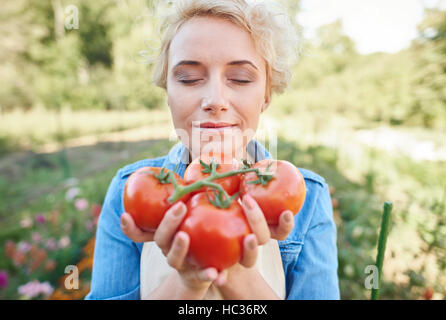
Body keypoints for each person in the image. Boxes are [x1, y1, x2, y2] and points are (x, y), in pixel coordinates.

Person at [85, 0, 340, 300]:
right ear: (168, 91)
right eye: (189, 79)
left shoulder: (307, 198)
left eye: (241, 78)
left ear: (266, 95)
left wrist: (233, 272)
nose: (215, 99)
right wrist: (187, 283)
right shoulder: (130, 191)